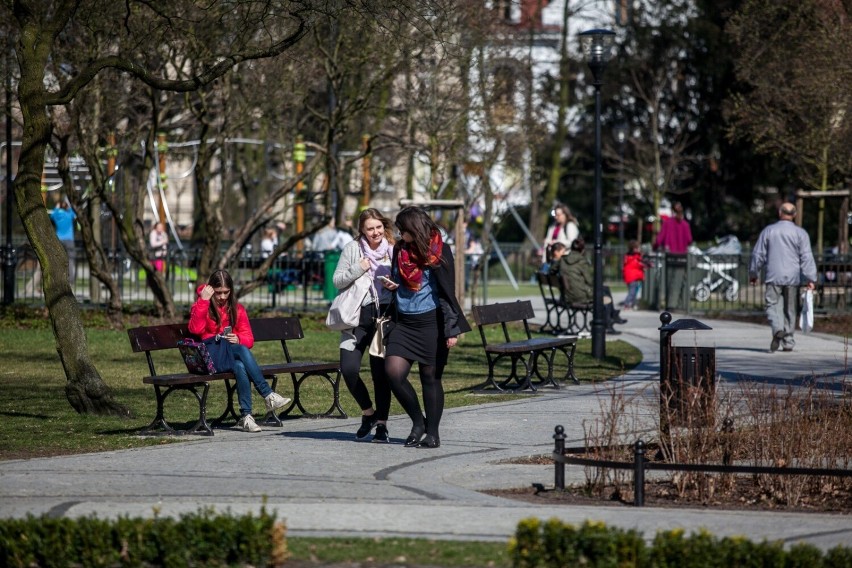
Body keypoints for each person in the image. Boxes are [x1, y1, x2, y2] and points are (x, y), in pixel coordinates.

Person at [384, 206, 471, 449]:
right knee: (393, 372)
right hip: (404, 323)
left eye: (403, 230)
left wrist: (451, 328)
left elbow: (446, 291)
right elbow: (397, 277)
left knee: (430, 379)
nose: (400, 235)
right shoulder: (400, 249)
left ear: (414, 228)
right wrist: (392, 284)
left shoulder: (440, 251)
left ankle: (432, 433)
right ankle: (417, 422)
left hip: (432, 322)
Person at [188, 270, 291, 432]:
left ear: (231, 290)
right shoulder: (203, 303)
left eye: (226, 292)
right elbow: (195, 329)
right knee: (241, 351)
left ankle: (246, 416)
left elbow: (249, 338)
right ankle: (268, 395)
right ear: (210, 289)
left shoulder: (237, 308)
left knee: (240, 365)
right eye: (218, 292)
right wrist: (204, 301)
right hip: (209, 356)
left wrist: (239, 339)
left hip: (229, 354)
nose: (222, 297)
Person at [332, 208, 395, 443]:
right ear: (362, 230)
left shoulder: (393, 248)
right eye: (370, 228)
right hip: (357, 318)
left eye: (379, 227)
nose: (376, 232)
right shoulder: (352, 248)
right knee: (348, 369)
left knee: (381, 374)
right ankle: (368, 413)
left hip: (384, 317)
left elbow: (406, 278)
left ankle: (382, 425)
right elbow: (337, 280)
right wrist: (359, 268)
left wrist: (394, 284)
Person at [748, 203, 817, 353]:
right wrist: (811, 278)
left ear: (780, 213)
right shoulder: (801, 233)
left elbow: (758, 254)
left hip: (773, 275)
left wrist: (754, 273)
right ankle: (788, 341)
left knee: (772, 305)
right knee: (790, 309)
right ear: (795, 214)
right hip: (793, 277)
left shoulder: (769, 231)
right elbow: (806, 257)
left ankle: (777, 328)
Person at [549, 238, 625, 333]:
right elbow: (589, 281)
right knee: (605, 293)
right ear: (582, 250)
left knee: (605, 289)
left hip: (568, 295)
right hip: (580, 297)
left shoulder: (563, 260)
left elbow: (551, 270)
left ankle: (612, 316)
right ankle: (609, 323)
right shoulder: (582, 261)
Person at [654, 201, 693, 310]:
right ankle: (674, 304)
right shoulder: (685, 224)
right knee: (678, 281)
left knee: (668, 281)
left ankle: (669, 304)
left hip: (669, 256)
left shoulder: (667, 223)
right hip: (682, 256)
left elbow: (659, 238)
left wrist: (655, 247)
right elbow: (689, 240)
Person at [541, 203, 579, 269]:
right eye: (555, 215)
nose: (556, 217)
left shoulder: (570, 226)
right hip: (551, 259)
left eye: (558, 215)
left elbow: (572, 242)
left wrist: (556, 242)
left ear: (565, 214)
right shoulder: (553, 226)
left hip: (565, 261)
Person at [49, 199, 77, 283]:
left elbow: (52, 216)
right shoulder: (69, 214)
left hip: (59, 239)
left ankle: (58, 278)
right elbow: (74, 214)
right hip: (69, 239)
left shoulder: (57, 214)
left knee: (57, 258)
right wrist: (69, 206)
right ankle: (70, 279)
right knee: (70, 259)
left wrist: (56, 208)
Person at [621, 239, 647, 310]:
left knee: (633, 290)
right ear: (634, 249)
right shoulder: (634, 258)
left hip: (629, 276)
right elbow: (637, 265)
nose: (639, 249)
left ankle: (633, 304)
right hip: (632, 277)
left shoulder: (628, 256)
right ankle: (626, 304)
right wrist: (644, 265)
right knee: (632, 291)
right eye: (638, 248)